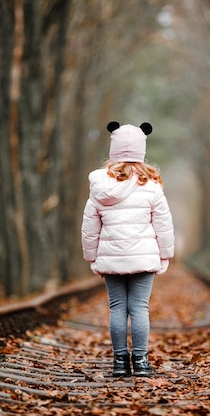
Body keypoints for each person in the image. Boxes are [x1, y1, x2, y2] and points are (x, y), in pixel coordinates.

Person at [81, 121, 175, 377]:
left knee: (117, 307)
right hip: (143, 257)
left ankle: (120, 362)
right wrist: (165, 254)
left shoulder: (100, 187)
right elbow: (163, 224)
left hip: (111, 258)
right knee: (140, 307)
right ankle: (141, 361)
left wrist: (92, 257)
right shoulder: (152, 185)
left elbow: (89, 226)